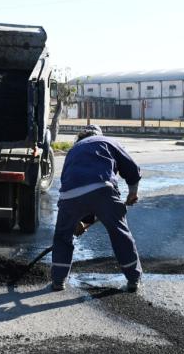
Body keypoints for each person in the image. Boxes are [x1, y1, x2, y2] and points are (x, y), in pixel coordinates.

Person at [50, 125, 143, 293]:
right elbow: (131, 168)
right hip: (103, 189)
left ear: (80, 137)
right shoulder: (108, 141)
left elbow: (70, 184)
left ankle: (58, 280)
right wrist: (133, 193)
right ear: (99, 134)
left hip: (69, 197)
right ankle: (133, 279)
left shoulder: (73, 150)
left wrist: (76, 221)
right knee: (119, 233)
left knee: (63, 237)